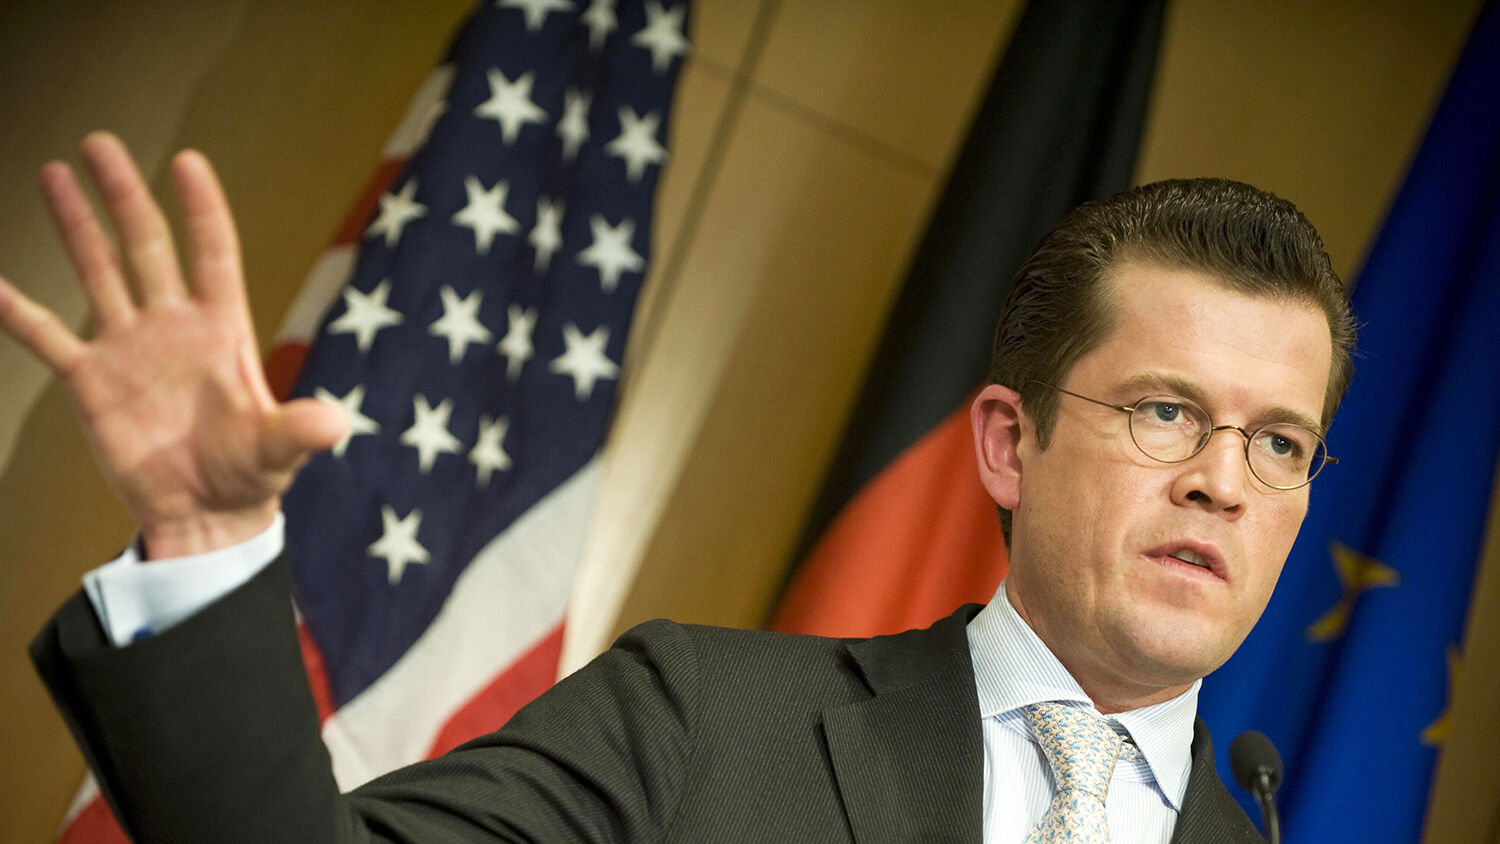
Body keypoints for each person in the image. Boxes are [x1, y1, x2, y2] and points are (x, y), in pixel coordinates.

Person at [0, 132, 1354, 843]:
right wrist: (210, 539)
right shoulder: (705, 720)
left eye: (1280, 445)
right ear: (1009, 444)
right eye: (1167, 414)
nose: (1222, 484)